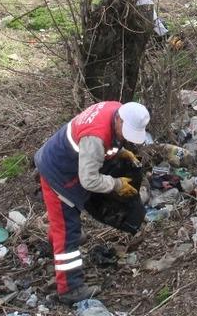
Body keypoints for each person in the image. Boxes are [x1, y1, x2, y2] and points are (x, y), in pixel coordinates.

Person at [34, 101, 150, 305]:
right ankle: (70, 289)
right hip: (57, 173)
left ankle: (57, 237)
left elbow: (105, 145)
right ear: (120, 119)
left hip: (68, 163)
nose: (125, 137)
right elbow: (89, 180)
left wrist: (120, 151)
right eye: (126, 133)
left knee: (63, 226)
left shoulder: (115, 109)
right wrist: (116, 184)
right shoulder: (95, 137)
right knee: (67, 232)